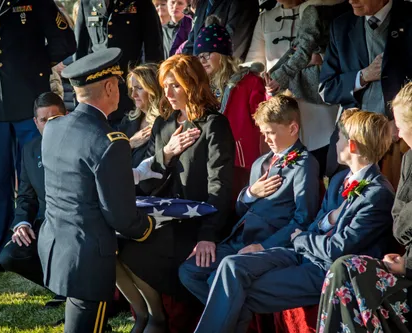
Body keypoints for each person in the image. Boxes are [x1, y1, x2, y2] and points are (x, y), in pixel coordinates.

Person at [194, 109, 396, 333]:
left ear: (352, 146)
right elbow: (316, 224)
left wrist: (301, 239)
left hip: (326, 270)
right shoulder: (340, 180)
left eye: (338, 137)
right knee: (231, 266)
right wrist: (327, 220)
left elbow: (336, 249)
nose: (334, 142)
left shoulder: (378, 193)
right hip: (302, 253)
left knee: (238, 290)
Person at [38, 48, 160, 333]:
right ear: (108, 87)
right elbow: (120, 215)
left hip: (58, 244)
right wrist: (150, 226)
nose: (121, 91)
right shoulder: (109, 141)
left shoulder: (54, 127)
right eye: (118, 84)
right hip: (88, 257)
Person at [0, 0, 76, 279]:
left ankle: (42, 249)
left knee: (41, 182)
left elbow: (64, 40)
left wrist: (35, 66)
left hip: (29, 106)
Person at [115, 54, 235, 332]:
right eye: (165, 86)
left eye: (175, 86)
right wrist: (166, 153)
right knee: (115, 246)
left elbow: (221, 185)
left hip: (199, 221)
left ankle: (158, 319)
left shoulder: (214, 124)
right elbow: (149, 181)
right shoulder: (165, 123)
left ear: (192, 85)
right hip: (165, 216)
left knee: (136, 251)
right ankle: (149, 314)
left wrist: (208, 235)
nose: (167, 93)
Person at [179, 94, 320, 305]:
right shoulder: (260, 163)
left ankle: (229, 318)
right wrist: (251, 193)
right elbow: (240, 209)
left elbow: (303, 220)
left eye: (271, 133)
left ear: (292, 128)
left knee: (217, 276)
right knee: (189, 271)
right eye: (263, 133)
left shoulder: (304, 164)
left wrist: (263, 247)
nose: (266, 140)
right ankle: (236, 317)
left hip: (267, 244)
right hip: (239, 239)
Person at [316, 82, 412, 333]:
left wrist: (409, 262)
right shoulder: (409, 160)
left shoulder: (378, 191)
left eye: (401, 127)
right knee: (344, 269)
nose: (398, 136)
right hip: (405, 263)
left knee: (344, 267)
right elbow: (401, 220)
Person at [319, 0, 412, 184]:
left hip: (399, 140)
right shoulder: (341, 26)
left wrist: (402, 120)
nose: (351, 0)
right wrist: (363, 76)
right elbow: (326, 89)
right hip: (353, 142)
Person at [245, 0, 339, 179]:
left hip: (319, 105)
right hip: (281, 105)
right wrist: (268, 79)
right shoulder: (265, 18)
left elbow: (338, 51)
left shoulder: (320, 10)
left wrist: (320, 57)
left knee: (324, 166)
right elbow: (254, 61)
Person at [0, 92, 67, 307]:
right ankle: (61, 289)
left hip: (76, 223)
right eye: (44, 120)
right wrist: (22, 223)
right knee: (10, 255)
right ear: (35, 123)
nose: (49, 124)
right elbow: (27, 196)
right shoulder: (29, 150)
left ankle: (77, 290)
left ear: (66, 117)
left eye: (55, 118)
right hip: (46, 223)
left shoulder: (80, 143)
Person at [195, 15, 266, 199]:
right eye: (199, 56)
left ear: (223, 54)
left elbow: (263, 123)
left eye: (208, 54)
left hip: (241, 163)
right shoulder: (200, 87)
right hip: (210, 161)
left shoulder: (249, 82)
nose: (202, 60)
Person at [74, 0, 164, 125]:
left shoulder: (141, 4)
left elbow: (154, 49)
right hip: (96, 90)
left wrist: (153, 88)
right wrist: (79, 90)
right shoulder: (87, 4)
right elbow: (80, 51)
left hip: (128, 89)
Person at [118, 64, 163, 168]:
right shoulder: (127, 121)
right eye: (132, 88)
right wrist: (130, 144)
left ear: (154, 90)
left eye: (139, 88)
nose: (133, 95)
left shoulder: (166, 123)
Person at [182, 0, 259, 60]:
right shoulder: (203, 3)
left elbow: (232, 46)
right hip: (201, 73)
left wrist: (200, 67)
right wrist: (183, 64)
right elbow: (192, 41)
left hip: (227, 75)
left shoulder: (242, 3)